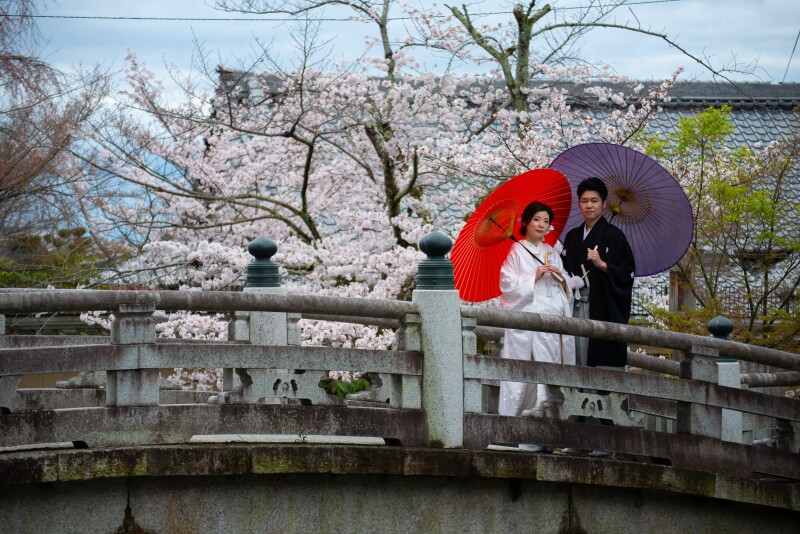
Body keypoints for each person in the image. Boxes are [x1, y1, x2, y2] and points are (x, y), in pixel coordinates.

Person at [498, 201, 576, 428]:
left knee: (548, 368)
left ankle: (547, 423)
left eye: (546, 221)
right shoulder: (516, 250)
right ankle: (513, 424)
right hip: (527, 318)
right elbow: (507, 285)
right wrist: (534, 275)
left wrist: (560, 277)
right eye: (537, 220)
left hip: (551, 319)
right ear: (525, 222)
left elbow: (565, 289)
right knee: (523, 369)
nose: (542, 225)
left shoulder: (551, 252)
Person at [561, 177, 635, 369]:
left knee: (597, 355)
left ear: (603, 204)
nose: (589, 206)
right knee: (573, 353)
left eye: (594, 201)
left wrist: (603, 264)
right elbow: (563, 269)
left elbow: (627, 274)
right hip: (573, 304)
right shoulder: (572, 236)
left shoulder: (614, 236)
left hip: (601, 305)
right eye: (584, 201)